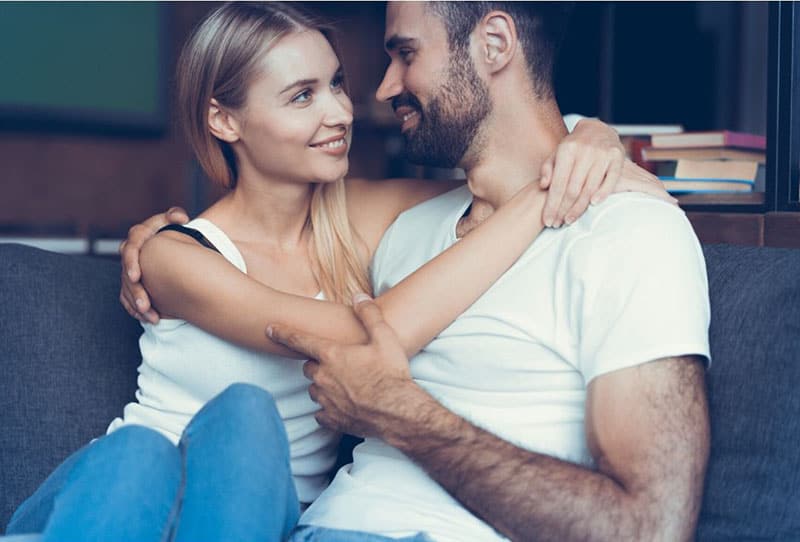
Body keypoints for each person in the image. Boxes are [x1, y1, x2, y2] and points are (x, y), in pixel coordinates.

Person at [6, 3, 669, 542]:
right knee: (168, 445)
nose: (341, 113)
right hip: (115, 503)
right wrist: (542, 200)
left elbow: (504, 172)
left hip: (260, 517)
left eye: (336, 85)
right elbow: (358, 339)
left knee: (244, 423)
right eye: (302, 96)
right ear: (223, 119)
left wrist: (590, 139)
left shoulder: (364, 218)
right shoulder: (172, 256)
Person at [263, 2, 711, 542]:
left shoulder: (629, 233)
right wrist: (162, 241)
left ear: (495, 43)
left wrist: (398, 412)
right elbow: (240, 241)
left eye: (406, 54)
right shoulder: (403, 226)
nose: (384, 88)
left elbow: (652, 528)